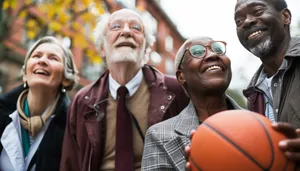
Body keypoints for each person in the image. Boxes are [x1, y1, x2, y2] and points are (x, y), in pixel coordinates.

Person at [60, 9, 189, 171]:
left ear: (146, 48)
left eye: (136, 28)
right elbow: (70, 163)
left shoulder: (177, 92)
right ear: (102, 47)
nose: (126, 31)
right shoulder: (82, 100)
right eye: (116, 26)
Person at [141, 36, 243, 171]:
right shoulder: (158, 136)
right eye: (197, 51)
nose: (212, 55)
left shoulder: (258, 124)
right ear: (181, 76)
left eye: (218, 49)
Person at [234, 0, 300, 163]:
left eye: (257, 11)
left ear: (285, 17)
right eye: (239, 21)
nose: (247, 21)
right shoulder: (254, 95)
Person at [0, 36, 79, 171]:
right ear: (25, 74)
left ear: (66, 79)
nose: (42, 61)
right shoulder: (2, 111)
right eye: (37, 56)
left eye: (53, 58)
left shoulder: (74, 130)